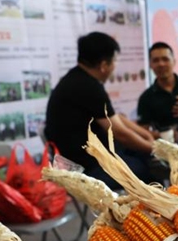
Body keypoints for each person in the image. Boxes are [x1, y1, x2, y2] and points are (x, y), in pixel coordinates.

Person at [46, 32, 162, 187]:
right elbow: (120, 133)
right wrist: (159, 150)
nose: (115, 67)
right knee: (151, 171)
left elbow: (116, 118)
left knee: (143, 155)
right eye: (114, 61)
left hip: (92, 158)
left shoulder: (77, 79)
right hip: (88, 168)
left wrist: (147, 136)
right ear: (104, 65)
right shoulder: (89, 87)